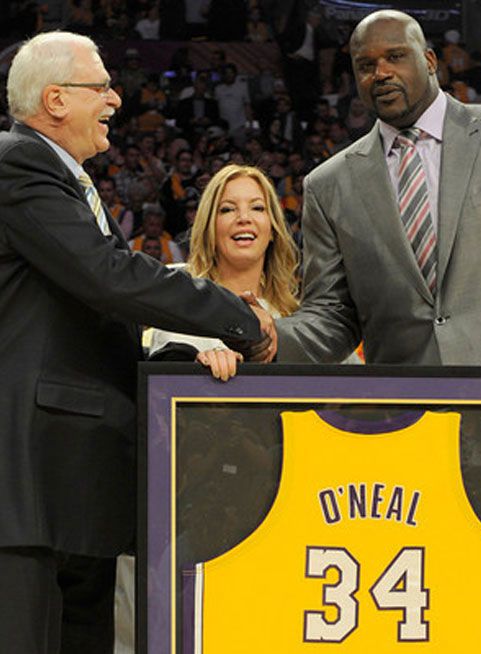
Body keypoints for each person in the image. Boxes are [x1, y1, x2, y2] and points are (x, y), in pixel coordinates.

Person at [0, 31, 274, 654]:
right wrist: (236, 317)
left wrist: (181, 358)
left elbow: (95, 321)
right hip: (31, 483)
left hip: (72, 484)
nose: (116, 100)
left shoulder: (67, 182)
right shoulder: (18, 162)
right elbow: (107, 278)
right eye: (101, 87)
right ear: (55, 99)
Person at [276, 9, 481, 420]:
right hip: (403, 423)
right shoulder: (328, 185)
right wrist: (269, 337)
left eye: (395, 57)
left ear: (429, 61)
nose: (381, 73)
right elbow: (332, 316)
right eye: (365, 65)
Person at [150, 163, 298, 381]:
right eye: (227, 209)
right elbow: (159, 388)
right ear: (209, 227)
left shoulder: (296, 315)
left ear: (273, 229)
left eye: (257, 208)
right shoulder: (181, 300)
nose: (244, 218)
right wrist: (195, 368)